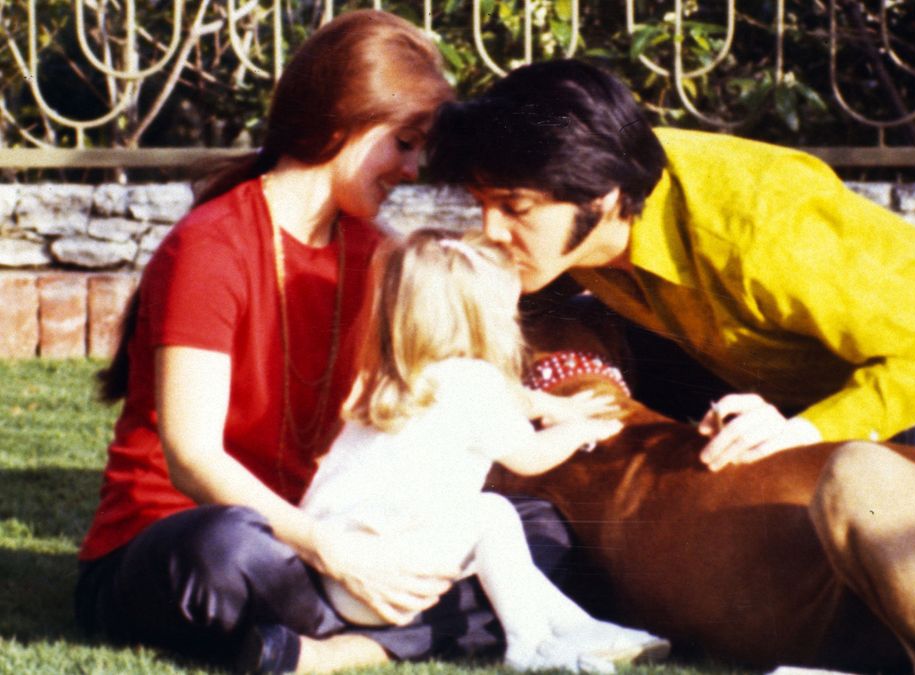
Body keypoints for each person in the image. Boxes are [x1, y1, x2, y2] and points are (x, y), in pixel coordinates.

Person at [74, 12, 580, 674]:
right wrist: (332, 551)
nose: (412, 167)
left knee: (534, 530)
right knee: (223, 549)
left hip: (329, 546)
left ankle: (331, 649)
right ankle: (396, 631)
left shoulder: (376, 253)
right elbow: (191, 460)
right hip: (190, 543)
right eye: (404, 142)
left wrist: (552, 404)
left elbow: (442, 377)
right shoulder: (211, 245)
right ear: (348, 121)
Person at [427, 59, 915, 469]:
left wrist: (803, 433)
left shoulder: (760, 222)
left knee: (889, 485)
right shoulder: (568, 222)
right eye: (482, 205)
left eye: (514, 208)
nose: (490, 231)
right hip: (740, 362)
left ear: (600, 199)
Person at [300, 229, 670, 673]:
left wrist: (553, 404)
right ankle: (528, 646)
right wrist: (580, 429)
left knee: (494, 547)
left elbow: (514, 401)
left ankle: (582, 628)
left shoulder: (397, 379)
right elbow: (530, 456)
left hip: (334, 572)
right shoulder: (476, 382)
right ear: (481, 319)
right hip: (392, 582)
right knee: (491, 516)